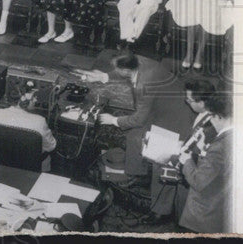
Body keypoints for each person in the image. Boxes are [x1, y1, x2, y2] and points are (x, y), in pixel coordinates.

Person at [81, 53, 174, 181]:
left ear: (126, 70)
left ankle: (135, 176)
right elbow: (123, 72)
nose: (116, 71)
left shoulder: (143, 85)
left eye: (117, 69)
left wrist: (113, 120)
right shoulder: (137, 60)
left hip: (168, 111)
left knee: (134, 137)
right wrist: (103, 76)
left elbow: (139, 120)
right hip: (162, 97)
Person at [144, 79, 217, 225]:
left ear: (201, 102)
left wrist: (174, 153)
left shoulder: (211, 125)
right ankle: (163, 208)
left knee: (159, 161)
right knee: (158, 150)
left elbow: (197, 154)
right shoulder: (206, 113)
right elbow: (192, 140)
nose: (186, 102)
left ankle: (161, 211)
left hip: (194, 165)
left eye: (189, 100)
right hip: (189, 152)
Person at [178, 91, 232, 233]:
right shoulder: (231, 137)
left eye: (212, 116)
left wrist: (187, 160)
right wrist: (203, 150)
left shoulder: (219, 146)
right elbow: (217, 168)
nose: (212, 122)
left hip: (205, 214)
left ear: (218, 117)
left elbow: (198, 181)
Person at [0, 92, 57, 170]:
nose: (35, 100)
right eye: (33, 97)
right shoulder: (40, 121)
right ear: (23, 101)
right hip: (29, 170)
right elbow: (51, 146)